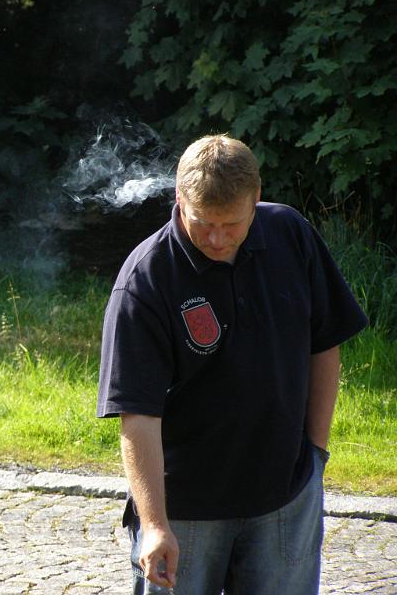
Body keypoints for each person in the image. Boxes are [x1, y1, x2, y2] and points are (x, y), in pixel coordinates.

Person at [97, 134, 367, 594]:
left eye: (232, 223)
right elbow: (137, 413)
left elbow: (325, 343)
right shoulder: (145, 281)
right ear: (179, 198)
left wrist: (315, 457)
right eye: (203, 223)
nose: (217, 238)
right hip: (186, 509)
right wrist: (155, 524)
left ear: (256, 200)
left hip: (284, 497)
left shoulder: (290, 234)